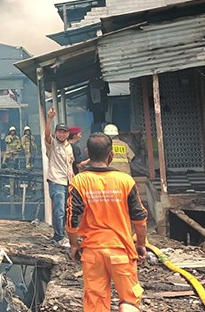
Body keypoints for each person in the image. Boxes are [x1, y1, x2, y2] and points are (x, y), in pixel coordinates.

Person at [67, 132, 148, 311]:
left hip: (93, 253)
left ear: (88, 152)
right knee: (129, 301)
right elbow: (140, 219)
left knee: (96, 303)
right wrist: (141, 244)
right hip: (121, 251)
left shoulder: (79, 182)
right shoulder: (125, 181)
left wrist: (74, 245)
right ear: (110, 154)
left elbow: (72, 219)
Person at [44, 108, 73, 247]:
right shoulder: (53, 144)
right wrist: (49, 119)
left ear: (68, 134)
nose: (62, 134)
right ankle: (58, 237)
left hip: (68, 182)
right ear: (56, 133)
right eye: (59, 132)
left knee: (68, 210)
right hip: (56, 181)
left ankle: (64, 235)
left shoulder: (68, 146)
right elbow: (47, 135)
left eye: (64, 132)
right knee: (59, 210)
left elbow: (70, 166)